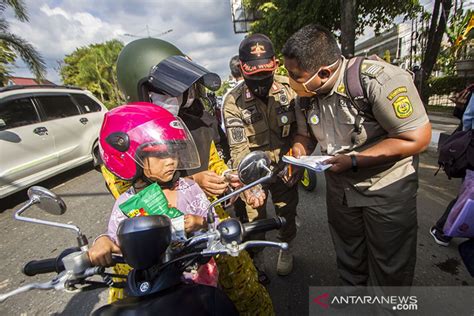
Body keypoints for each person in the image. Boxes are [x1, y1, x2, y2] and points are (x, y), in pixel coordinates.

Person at [100, 38, 274, 314]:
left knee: (247, 293)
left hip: (208, 226)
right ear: (141, 88)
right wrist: (194, 181)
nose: (178, 97)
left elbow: (214, 159)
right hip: (150, 249)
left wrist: (228, 176)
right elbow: (130, 199)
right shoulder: (121, 136)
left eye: (179, 90)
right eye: (166, 91)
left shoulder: (197, 118)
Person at [283, 24, 431, 286]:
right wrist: (297, 154)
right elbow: (305, 136)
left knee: (390, 268)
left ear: (324, 72)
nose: (289, 81)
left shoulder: (379, 81)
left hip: (385, 192)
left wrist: (354, 160)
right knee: (350, 259)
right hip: (340, 192)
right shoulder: (305, 96)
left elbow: (416, 137)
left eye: (294, 75)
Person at [89, 103, 218, 287]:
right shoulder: (127, 203)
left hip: (200, 284)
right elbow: (116, 241)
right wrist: (103, 242)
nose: (171, 162)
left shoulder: (189, 189)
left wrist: (202, 222)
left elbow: (218, 226)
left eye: (174, 153)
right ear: (131, 158)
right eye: (160, 155)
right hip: (154, 288)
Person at [223, 34, 300, 276]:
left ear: (275, 65)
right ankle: (257, 258)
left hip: (285, 168)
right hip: (253, 173)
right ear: (243, 69)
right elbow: (238, 148)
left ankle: (285, 247)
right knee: (254, 220)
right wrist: (249, 183)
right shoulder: (233, 102)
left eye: (265, 73)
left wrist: (298, 161)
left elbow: (304, 131)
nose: (260, 81)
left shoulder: (291, 89)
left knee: (286, 212)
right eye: (253, 75)